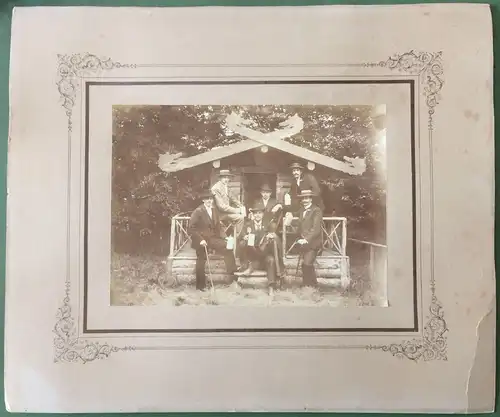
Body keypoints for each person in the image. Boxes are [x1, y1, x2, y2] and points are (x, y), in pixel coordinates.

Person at [188, 190, 238, 290]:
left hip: (212, 239)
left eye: (211, 199)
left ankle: (232, 278)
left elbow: (218, 227)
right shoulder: (198, 211)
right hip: (201, 241)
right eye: (207, 199)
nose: (209, 201)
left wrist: (225, 237)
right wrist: (201, 240)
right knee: (201, 260)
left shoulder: (214, 210)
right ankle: (200, 286)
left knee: (228, 247)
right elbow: (191, 228)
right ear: (203, 200)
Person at [235, 201, 285, 289]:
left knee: (271, 259)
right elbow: (240, 236)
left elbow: (275, 239)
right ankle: (249, 267)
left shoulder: (268, 224)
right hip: (253, 255)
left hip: (264, 255)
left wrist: (272, 236)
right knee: (243, 243)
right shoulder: (248, 225)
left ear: (262, 214)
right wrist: (244, 237)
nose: (257, 215)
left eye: (259, 213)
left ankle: (271, 286)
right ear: (253, 215)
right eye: (255, 213)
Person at [286, 189, 323, 287]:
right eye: (303, 198)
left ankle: (309, 285)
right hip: (304, 243)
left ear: (311, 199)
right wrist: (289, 214)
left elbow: (315, 229)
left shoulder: (316, 210)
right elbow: (295, 213)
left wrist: (306, 239)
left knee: (307, 263)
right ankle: (311, 285)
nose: (305, 200)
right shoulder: (302, 209)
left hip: (313, 243)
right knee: (305, 264)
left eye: (307, 198)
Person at [211, 169, 245, 236]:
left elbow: (233, 198)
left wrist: (241, 206)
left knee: (242, 215)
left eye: (227, 177)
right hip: (218, 214)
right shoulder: (216, 188)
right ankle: (235, 238)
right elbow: (221, 206)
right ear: (220, 178)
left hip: (225, 213)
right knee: (240, 218)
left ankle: (231, 237)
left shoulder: (225, 186)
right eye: (224, 177)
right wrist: (236, 210)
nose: (226, 179)